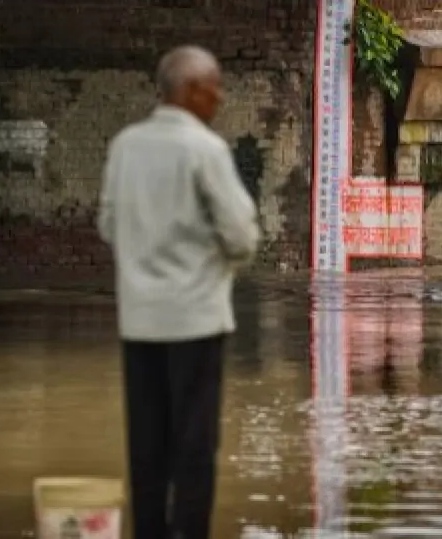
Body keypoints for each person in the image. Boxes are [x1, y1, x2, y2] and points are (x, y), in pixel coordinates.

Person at [97, 45, 261, 539]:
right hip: (194, 322)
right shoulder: (204, 149)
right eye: (215, 87)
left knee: (146, 444)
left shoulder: (126, 144)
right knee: (194, 446)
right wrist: (213, 263)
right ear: (191, 91)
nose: (220, 97)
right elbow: (242, 235)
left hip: (139, 320)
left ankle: (148, 531)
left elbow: (108, 224)